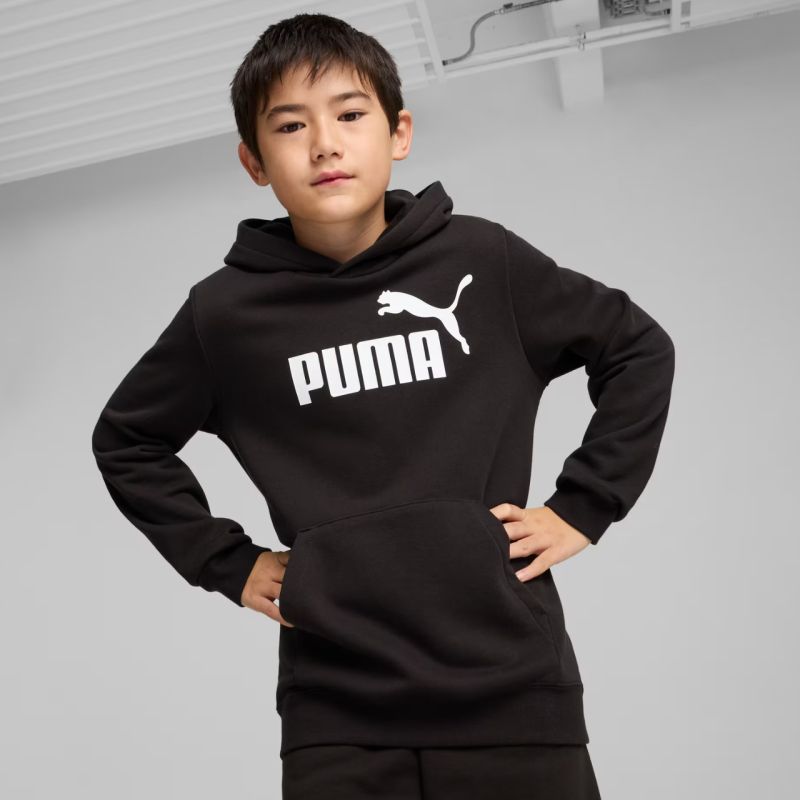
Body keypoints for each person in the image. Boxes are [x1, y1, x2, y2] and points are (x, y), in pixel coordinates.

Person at [91, 12, 675, 800]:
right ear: (253, 161)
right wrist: (228, 564)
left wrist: (585, 506)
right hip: (337, 711)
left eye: (349, 114)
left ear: (398, 133)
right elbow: (127, 439)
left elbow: (636, 347)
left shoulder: (482, 258)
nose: (323, 144)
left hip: (513, 687)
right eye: (290, 126)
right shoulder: (224, 316)